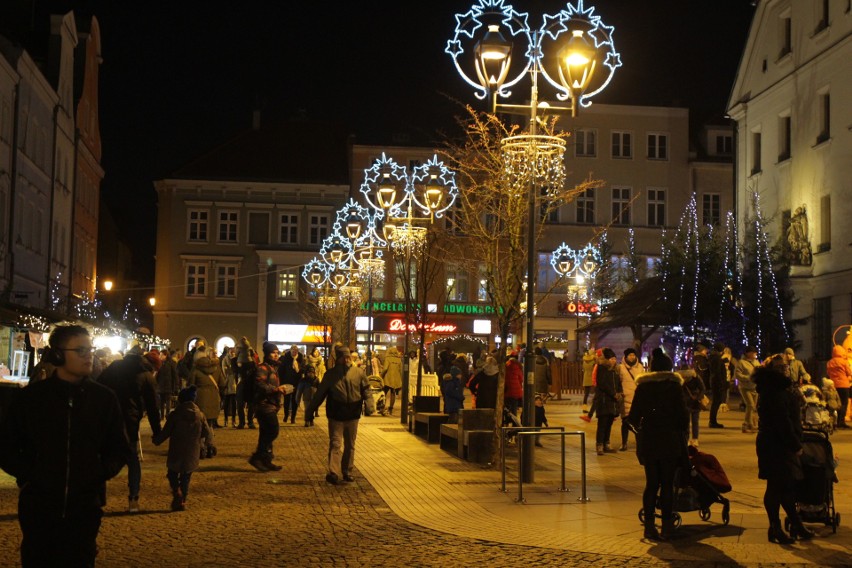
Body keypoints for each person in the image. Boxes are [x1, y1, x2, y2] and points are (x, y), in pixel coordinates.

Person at [0, 325, 130, 566]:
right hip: (39, 507)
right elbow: (6, 445)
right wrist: (30, 474)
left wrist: (99, 472)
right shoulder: (32, 398)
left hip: (85, 507)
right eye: (80, 350)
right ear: (58, 354)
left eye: (89, 349)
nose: (88, 355)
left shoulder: (104, 399)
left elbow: (119, 447)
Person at [628, 347, 689, 541]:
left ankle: (649, 527)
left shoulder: (643, 387)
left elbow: (633, 417)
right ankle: (667, 527)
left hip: (650, 440)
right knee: (667, 484)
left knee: (651, 484)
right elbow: (682, 416)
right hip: (669, 440)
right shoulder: (674, 387)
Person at [754, 355, 814, 543]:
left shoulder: (779, 387)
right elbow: (782, 421)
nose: (784, 370)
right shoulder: (775, 390)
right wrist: (795, 445)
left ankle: (795, 524)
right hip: (776, 444)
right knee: (776, 486)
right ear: (772, 371)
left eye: (786, 367)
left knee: (785, 485)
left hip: (776, 442)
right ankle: (775, 528)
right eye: (779, 368)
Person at [97, 343, 162, 512]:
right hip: (129, 420)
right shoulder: (147, 375)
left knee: (102, 457)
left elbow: (98, 386)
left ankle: (98, 498)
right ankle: (133, 499)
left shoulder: (115, 366)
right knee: (133, 459)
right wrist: (157, 432)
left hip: (108, 417)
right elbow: (153, 407)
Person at [308, 346, 371, 485]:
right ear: (339, 358)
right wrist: (310, 410)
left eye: (348, 356)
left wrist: (370, 406)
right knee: (336, 444)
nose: (347, 359)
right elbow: (320, 394)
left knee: (350, 445)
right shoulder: (330, 375)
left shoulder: (358, 373)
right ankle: (333, 472)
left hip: (353, 414)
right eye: (344, 356)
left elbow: (366, 390)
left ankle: (347, 471)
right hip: (336, 414)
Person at [152, 385, 214, 512]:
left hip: (176, 449)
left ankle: (177, 491)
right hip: (192, 451)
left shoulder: (175, 415)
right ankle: (183, 500)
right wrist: (208, 445)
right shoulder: (200, 415)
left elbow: (166, 432)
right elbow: (207, 433)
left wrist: (157, 440)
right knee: (186, 477)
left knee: (172, 474)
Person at [248, 342, 292, 472]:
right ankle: (257, 457)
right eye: (273, 352)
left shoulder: (273, 368)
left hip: (271, 405)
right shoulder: (263, 368)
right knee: (273, 430)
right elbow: (259, 384)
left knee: (265, 433)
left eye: (277, 353)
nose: (276, 355)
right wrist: (276, 389)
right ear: (267, 354)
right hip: (264, 405)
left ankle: (266, 461)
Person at [593, 348, 623, 455]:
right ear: (607, 359)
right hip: (604, 400)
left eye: (614, 358)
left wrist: (619, 392)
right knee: (602, 424)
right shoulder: (602, 368)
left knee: (609, 423)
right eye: (611, 358)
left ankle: (607, 443)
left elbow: (619, 383)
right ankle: (599, 444)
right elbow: (602, 384)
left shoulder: (615, 370)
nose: (613, 361)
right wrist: (613, 393)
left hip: (613, 401)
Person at [188, 345, 224, 429]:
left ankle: (200, 439)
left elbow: (191, 384)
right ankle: (209, 439)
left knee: (199, 423)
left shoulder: (195, 368)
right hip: (214, 396)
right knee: (209, 423)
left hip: (200, 397)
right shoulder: (216, 367)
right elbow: (222, 383)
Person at [617, 347, 642, 451]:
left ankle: (639, 443)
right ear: (626, 356)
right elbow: (618, 382)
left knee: (638, 423)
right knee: (625, 422)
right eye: (630, 355)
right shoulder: (620, 367)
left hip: (637, 398)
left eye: (633, 355)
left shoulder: (640, 367)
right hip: (625, 397)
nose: (632, 357)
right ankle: (624, 443)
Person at [735, 346, 760, 433]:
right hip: (745, 387)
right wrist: (748, 378)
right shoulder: (741, 363)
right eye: (753, 353)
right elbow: (737, 374)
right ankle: (746, 425)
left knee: (753, 407)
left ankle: (752, 424)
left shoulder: (756, 362)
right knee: (750, 405)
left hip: (755, 388)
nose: (755, 354)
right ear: (748, 353)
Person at [826, 344, 851, 429]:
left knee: (836, 403)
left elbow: (828, 373)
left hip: (834, 385)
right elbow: (849, 372)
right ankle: (841, 421)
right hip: (844, 385)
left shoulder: (830, 362)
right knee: (844, 403)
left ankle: (835, 421)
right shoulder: (844, 362)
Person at [280, 345, 305, 424]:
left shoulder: (301, 359)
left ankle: (293, 417)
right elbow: (281, 370)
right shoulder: (286, 358)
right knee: (286, 400)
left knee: (295, 400)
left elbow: (303, 369)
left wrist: (299, 368)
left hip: (297, 382)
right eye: (293, 351)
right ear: (290, 350)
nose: (294, 352)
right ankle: (286, 415)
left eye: (296, 351)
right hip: (287, 382)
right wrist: (281, 382)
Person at [681, 367, 706, 447]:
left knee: (695, 421)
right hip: (686, 402)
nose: (685, 378)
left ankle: (695, 439)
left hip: (695, 402)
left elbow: (702, 388)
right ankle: (687, 439)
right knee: (686, 422)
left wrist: (698, 397)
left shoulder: (696, 378)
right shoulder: (681, 380)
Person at [707, 341, 728, 428]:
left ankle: (713, 421)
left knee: (716, 402)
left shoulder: (713, 357)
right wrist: (721, 383)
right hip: (717, 383)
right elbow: (718, 372)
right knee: (716, 402)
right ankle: (712, 421)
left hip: (715, 382)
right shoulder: (717, 359)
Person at [157, 348, 180, 420]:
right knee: (161, 401)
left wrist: (176, 385)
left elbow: (175, 375)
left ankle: (167, 415)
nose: (159, 357)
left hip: (168, 385)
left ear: (165, 355)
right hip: (161, 385)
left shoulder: (171, 363)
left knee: (167, 401)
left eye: (161, 355)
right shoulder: (160, 363)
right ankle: (162, 416)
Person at [382, 345, 404, 415]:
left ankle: (382, 407)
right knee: (393, 393)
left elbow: (385, 368)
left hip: (388, 378)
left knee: (384, 392)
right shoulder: (399, 359)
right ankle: (391, 408)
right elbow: (401, 371)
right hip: (396, 379)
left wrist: (381, 375)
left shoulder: (388, 358)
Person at [221, 347, 239, 427]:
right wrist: (232, 369)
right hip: (227, 383)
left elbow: (237, 370)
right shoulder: (225, 359)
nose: (232, 353)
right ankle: (226, 420)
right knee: (226, 403)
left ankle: (233, 420)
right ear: (228, 352)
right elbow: (225, 371)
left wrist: (231, 369)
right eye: (231, 351)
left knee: (234, 403)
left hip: (235, 383)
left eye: (233, 351)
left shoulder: (237, 359)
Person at [504, 354, 524, 420]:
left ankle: (507, 420)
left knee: (506, 407)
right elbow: (521, 379)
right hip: (516, 390)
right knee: (514, 407)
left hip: (507, 389)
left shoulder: (506, 365)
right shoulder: (518, 366)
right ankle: (514, 422)